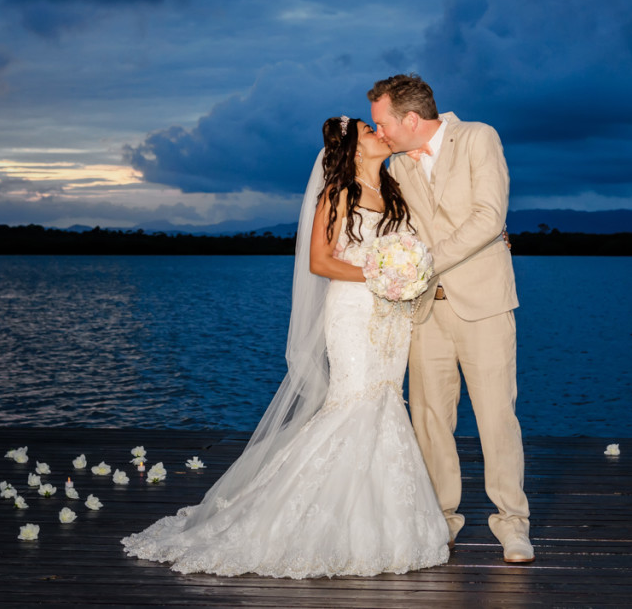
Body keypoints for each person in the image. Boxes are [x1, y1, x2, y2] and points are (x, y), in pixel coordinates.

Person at [121, 116, 449, 578]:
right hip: (354, 313)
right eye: (368, 130)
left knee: (385, 402)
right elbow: (320, 260)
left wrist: (409, 277)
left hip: (393, 317)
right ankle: (296, 521)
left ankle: (379, 526)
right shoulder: (338, 193)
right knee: (353, 403)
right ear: (354, 149)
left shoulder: (395, 190)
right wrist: (382, 276)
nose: (379, 132)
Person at [368, 75, 533, 563]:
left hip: (483, 304)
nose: (380, 132)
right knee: (430, 419)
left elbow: (488, 217)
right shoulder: (396, 166)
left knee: (496, 416)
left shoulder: (479, 137)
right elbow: (397, 227)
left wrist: (421, 262)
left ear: (411, 119)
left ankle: (513, 525)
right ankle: (441, 520)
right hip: (425, 308)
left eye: (383, 123)